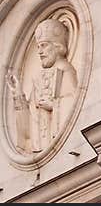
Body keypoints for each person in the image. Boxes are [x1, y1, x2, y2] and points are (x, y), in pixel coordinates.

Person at [6, 18, 78, 155]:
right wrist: (18, 95)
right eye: (38, 46)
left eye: (44, 45)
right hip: (41, 147)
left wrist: (54, 106)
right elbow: (29, 127)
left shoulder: (65, 69)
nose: (39, 51)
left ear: (58, 47)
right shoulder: (38, 78)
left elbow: (73, 104)